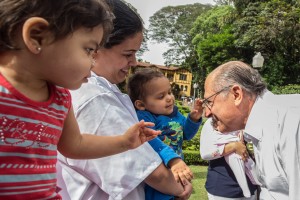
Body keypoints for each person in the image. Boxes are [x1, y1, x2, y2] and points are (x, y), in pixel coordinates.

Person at [0, 1, 162, 199]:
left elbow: (75, 144)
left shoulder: (59, 99)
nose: (93, 61)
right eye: (88, 50)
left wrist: (124, 142)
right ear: (37, 36)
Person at [56, 0, 193, 199]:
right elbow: (146, 169)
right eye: (128, 53)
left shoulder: (98, 89)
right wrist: (180, 188)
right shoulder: (93, 95)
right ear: (97, 45)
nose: (134, 61)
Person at [202, 60, 300, 199]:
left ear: (236, 94)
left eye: (209, 102)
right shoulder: (267, 124)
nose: (207, 113)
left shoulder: (290, 122)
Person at [127, 68, 203, 200]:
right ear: (141, 104)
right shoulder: (145, 118)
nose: (169, 98)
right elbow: (151, 141)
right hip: (158, 175)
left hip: (176, 171)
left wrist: (193, 119)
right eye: (161, 96)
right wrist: (173, 160)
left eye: (169, 92)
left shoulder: (175, 114)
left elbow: (186, 135)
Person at [201, 118, 259, 200]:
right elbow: (205, 153)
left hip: (251, 187)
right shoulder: (212, 121)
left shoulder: (245, 120)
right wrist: (233, 146)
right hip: (224, 189)